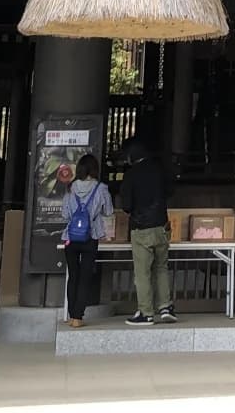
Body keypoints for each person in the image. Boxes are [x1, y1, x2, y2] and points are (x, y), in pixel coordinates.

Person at [117, 139, 175, 326]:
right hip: (161, 225)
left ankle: (146, 312)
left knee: (142, 272)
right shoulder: (159, 170)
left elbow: (126, 205)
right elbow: (170, 191)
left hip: (141, 228)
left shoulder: (131, 175)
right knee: (161, 267)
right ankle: (165, 307)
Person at [59, 155, 113, 329]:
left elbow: (65, 215)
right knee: (84, 277)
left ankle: (70, 315)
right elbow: (109, 211)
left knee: (73, 276)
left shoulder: (70, 188)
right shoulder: (101, 188)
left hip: (71, 238)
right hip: (91, 236)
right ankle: (77, 317)